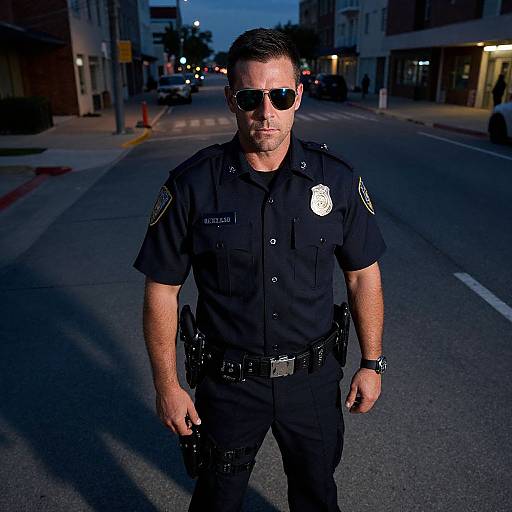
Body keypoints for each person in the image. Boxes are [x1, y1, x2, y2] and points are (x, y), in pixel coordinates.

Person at [134, 28, 387, 512]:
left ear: (298, 96)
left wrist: (372, 362)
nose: (265, 111)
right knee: (217, 501)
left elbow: (363, 275)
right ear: (232, 99)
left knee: (317, 496)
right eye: (251, 96)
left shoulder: (337, 179)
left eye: (280, 94)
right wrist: (167, 385)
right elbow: (162, 290)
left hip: (311, 382)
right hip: (228, 386)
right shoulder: (192, 185)